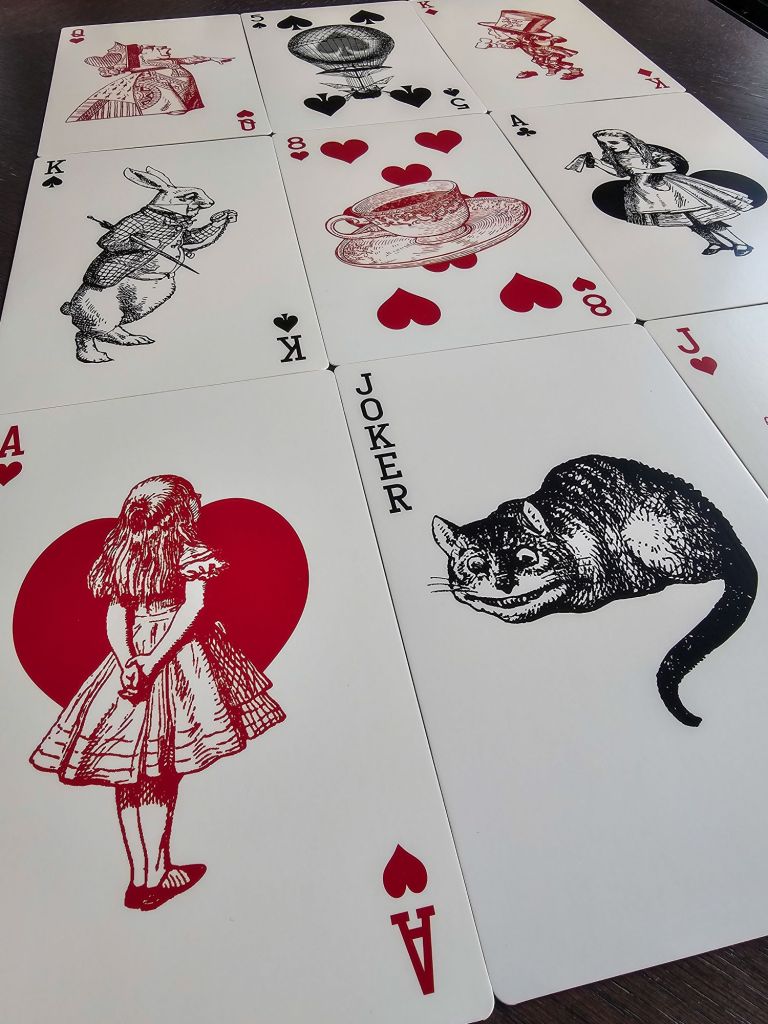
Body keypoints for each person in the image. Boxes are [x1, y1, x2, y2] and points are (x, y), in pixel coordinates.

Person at [30, 475, 285, 911]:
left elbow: (116, 616)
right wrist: (148, 664)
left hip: (130, 661)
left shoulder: (122, 553)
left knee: (132, 776)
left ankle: (145, 875)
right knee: (158, 772)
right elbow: (193, 608)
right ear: (180, 513)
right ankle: (154, 876)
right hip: (176, 658)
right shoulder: (187, 552)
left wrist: (127, 659)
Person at [578, 129, 754, 256]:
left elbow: (670, 166)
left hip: (667, 187)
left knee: (701, 217)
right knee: (686, 221)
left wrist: (644, 170)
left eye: (613, 143)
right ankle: (715, 242)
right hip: (643, 192)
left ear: (629, 140)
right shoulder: (613, 156)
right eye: (603, 144)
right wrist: (598, 163)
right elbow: (620, 173)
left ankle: (739, 243)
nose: (608, 146)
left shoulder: (647, 151)